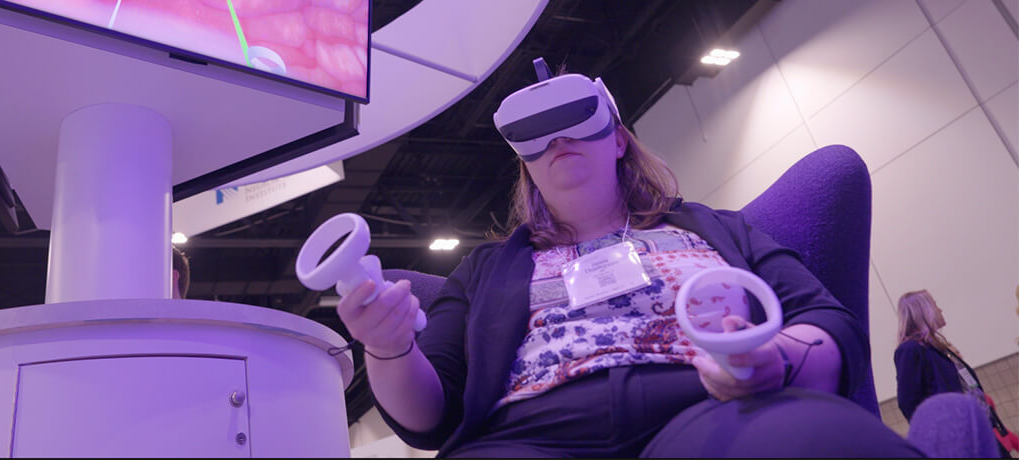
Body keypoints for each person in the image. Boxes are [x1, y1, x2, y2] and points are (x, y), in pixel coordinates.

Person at [336, 63, 920, 457]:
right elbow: (428, 415)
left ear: (618, 138)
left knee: (816, 442)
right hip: (530, 436)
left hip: (709, 406)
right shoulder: (485, 270)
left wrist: (777, 360)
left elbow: (826, 318)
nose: (558, 141)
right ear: (527, 166)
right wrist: (387, 348)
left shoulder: (717, 229)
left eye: (575, 123)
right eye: (538, 136)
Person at [894, 289, 1014, 457]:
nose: (940, 310)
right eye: (935, 305)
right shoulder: (911, 349)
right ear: (924, 311)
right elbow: (908, 400)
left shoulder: (938, 348)